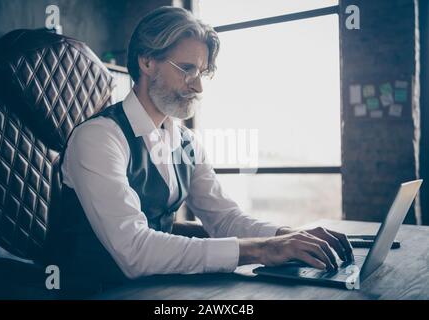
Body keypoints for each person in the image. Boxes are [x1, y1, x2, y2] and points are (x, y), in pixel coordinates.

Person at [50, 6, 353, 288]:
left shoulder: (185, 142)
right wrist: (263, 249)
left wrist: (288, 236)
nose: (198, 86)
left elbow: (225, 219)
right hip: (98, 292)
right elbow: (135, 251)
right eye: (186, 69)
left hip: (160, 287)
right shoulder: (99, 138)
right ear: (147, 62)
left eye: (202, 72)